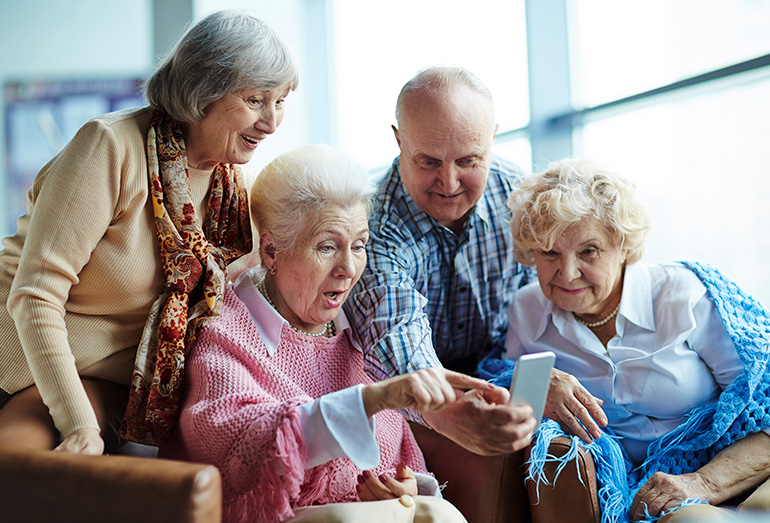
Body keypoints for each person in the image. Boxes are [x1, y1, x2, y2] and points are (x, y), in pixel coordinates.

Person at [0, 10, 298, 455]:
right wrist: (80, 427)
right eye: (255, 100)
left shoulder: (234, 191)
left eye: (280, 101)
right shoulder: (109, 147)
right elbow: (34, 296)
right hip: (26, 362)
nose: (272, 122)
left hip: (115, 387)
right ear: (203, 92)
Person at [163, 144, 479, 523]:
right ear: (271, 251)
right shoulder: (226, 331)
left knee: (439, 513)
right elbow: (238, 444)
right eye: (327, 247)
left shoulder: (360, 329)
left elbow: (400, 455)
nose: (348, 268)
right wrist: (372, 399)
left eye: (359, 245)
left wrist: (407, 487)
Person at [345, 65, 606, 456]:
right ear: (399, 140)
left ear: (493, 138)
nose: (449, 184)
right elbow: (395, 336)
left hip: (508, 367)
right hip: (415, 408)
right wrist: (447, 410)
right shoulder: (373, 226)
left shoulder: (517, 195)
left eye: (469, 161)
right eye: (428, 162)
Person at [495, 158, 770, 521]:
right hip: (625, 493)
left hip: (727, 477)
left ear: (623, 245)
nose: (568, 272)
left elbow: (765, 404)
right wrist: (534, 385)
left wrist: (702, 484)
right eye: (550, 252)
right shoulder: (526, 310)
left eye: (588, 251)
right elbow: (501, 393)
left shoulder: (685, 294)